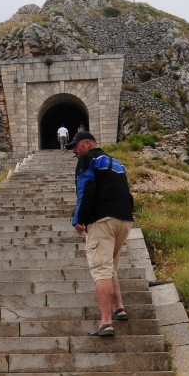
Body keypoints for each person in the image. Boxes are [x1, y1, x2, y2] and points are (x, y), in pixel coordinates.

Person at [70, 132, 135, 337]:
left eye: (76, 146)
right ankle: (119, 308)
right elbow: (127, 194)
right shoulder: (116, 163)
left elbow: (86, 188)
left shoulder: (87, 159)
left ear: (87, 144)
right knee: (110, 266)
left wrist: (78, 218)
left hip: (102, 221)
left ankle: (106, 323)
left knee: (100, 270)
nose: (73, 150)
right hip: (123, 220)